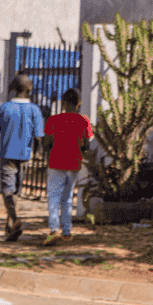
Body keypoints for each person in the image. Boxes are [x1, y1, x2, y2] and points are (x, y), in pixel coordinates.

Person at [0, 76, 44, 242]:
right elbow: (39, 136)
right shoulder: (34, 109)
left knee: (8, 189)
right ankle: (10, 226)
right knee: (15, 191)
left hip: (7, 154)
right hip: (25, 155)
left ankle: (13, 219)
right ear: (29, 89)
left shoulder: (4, 108)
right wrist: (37, 153)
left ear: (13, 88)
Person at [42, 87, 92, 239]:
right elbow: (87, 145)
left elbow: (46, 143)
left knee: (53, 196)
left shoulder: (53, 120)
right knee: (68, 197)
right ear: (79, 104)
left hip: (56, 162)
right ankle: (67, 231)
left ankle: (53, 228)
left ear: (63, 103)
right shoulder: (83, 121)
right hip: (74, 163)